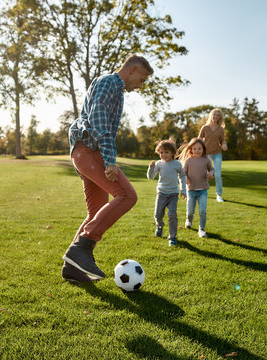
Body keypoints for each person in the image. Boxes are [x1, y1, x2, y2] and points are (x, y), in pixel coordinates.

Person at [61, 54, 154, 283]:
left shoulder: (115, 89)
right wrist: (110, 159)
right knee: (127, 195)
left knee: (96, 212)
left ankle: (72, 268)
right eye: (141, 79)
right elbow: (100, 121)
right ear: (132, 70)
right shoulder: (109, 83)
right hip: (90, 150)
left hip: (85, 153)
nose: (140, 86)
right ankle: (81, 248)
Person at [147, 139, 186, 247]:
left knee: (172, 215)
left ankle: (172, 237)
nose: (163, 155)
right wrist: (151, 168)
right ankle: (159, 226)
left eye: (166, 152)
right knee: (158, 215)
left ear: (173, 153)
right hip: (161, 193)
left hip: (173, 194)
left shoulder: (177, 164)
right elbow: (151, 177)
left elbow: (182, 176)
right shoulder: (159, 164)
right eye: (161, 153)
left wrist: (183, 189)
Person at [178, 138, 214, 238]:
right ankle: (189, 220)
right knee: (190, 211)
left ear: (203, 149)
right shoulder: (188, 161)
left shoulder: (206, 159)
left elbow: (212, 169)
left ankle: (201, 229)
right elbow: (183, 173)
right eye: (194, 149)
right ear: (190, 150)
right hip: (191, 190)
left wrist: (211, 173)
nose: (197, 151)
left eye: (199, 148)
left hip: (203, 190)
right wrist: (186, 179)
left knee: (202, 211)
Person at [198, 108, 227, 202]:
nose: (215, 116)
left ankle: (219, 195)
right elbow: (199, 139)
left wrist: (224, 144)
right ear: (211, 115)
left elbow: (222, 140)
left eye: (217, 115)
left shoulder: (220, 129)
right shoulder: (204, 127)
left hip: (217, 154)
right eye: (214, 114)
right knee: (203, 174)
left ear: (220, 118)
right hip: (206, 154)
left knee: (217, 174)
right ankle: (200, 192)